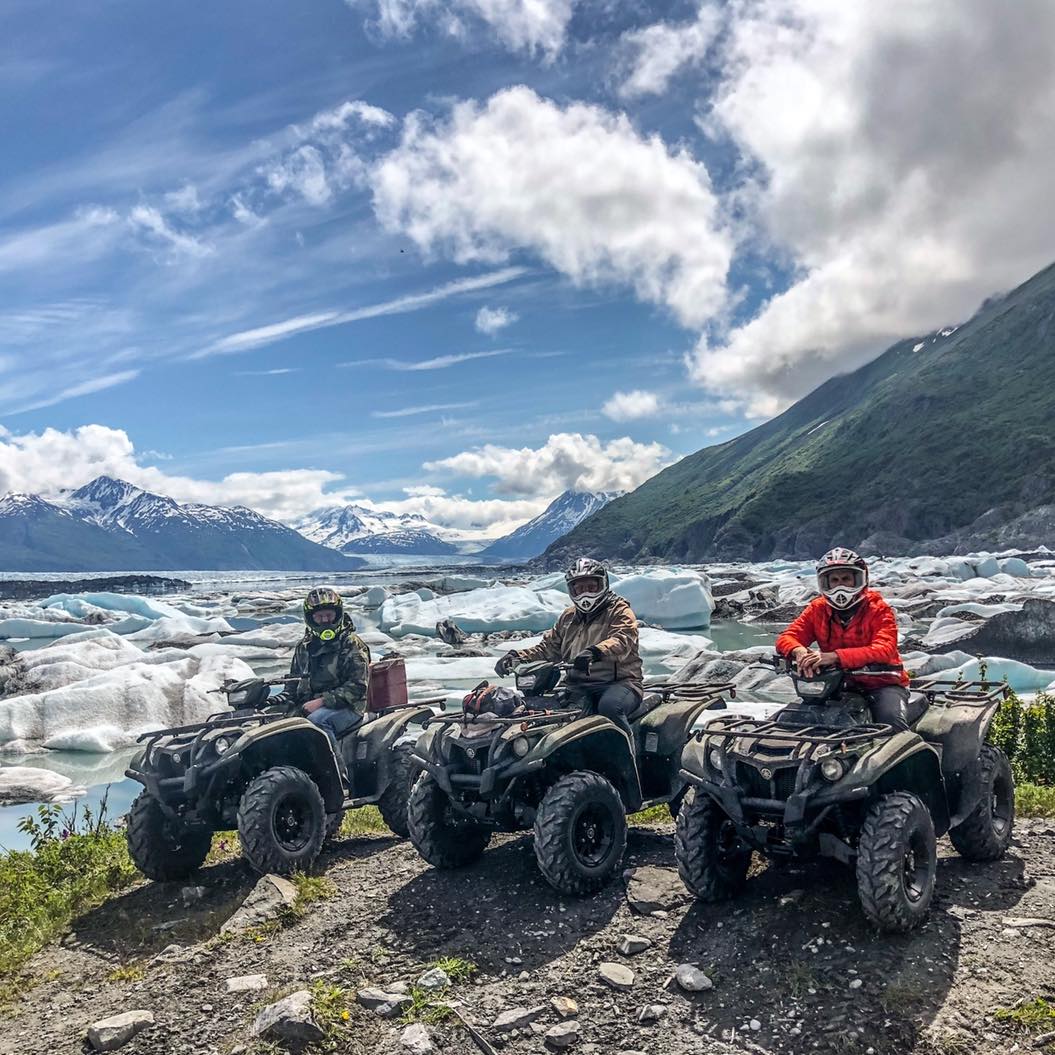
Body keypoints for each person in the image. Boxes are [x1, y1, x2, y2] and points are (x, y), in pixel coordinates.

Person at [494, 558, 643, 734]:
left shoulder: (618, 610)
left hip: (618, 683)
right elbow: (548, 647)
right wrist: (516, 656)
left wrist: (594, 652)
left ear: (603, 584)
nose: (585, 593)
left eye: (591, 587)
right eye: (579, 588)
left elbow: (622, 640)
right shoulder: (568, 617)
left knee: (610, 708)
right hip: (577, 685)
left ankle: (627, 758)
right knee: (538, 709)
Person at [775, 548, 913, 730]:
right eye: (834, 580)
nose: (840, 586)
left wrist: (835, 656)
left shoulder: (878, 609)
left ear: (860, 579)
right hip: (835, 685)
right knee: (786, 720)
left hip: (881, 684)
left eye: (846, 579)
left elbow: (885, 648)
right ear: (825, 583)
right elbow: (788, 637)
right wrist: (798, 651)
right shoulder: (818, 609)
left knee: (891, 723)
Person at [288, 586, 372, 751]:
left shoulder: (351, 644)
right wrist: (279, 700)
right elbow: (293, 681)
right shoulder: (303, 647)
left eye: (329, 615)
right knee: (276, 724)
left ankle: (336, 774)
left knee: (318, 723)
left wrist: (321, 702)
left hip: (349, 707)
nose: (325, 620)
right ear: (310, 619)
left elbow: (358, 686)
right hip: (309, 704)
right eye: (319, 616)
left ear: (338, 615)